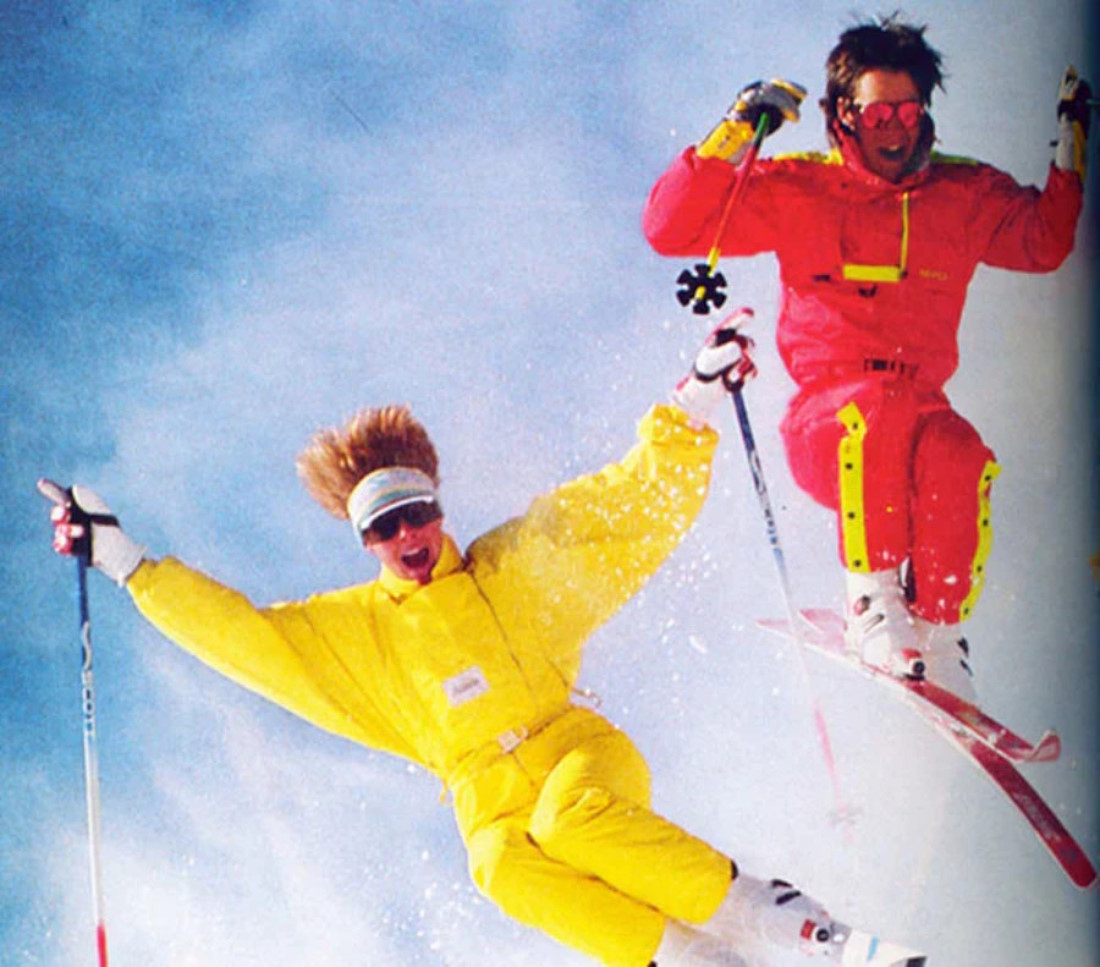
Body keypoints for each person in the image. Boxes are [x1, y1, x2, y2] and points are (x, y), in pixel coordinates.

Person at [40, 316, 899, 967]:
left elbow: (626, 506)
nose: (407, 535)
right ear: (365, 542)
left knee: (574, 819)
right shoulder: (358, 637)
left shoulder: (512, 570)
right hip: (483, 797)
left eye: (416, 513)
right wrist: (123, 559)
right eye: (384, 527)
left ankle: (793, 926)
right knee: (500, 869)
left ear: (439, 510)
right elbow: (244, 636)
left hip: (573, 749)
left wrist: (696, 397)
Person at [642, 15, 1092, 704]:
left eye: (909, 111)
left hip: (919, 413)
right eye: (878, 111)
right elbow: (671, 228)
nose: (896, 127)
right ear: (842, 114)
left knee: (958, 451)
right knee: (877, 412)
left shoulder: (960, 194)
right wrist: (735, 132)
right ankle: (873, 604)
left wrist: (1073, 146)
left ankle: (940, 636)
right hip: (830, 423)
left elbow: (1042, 241)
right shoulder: (802, 189)